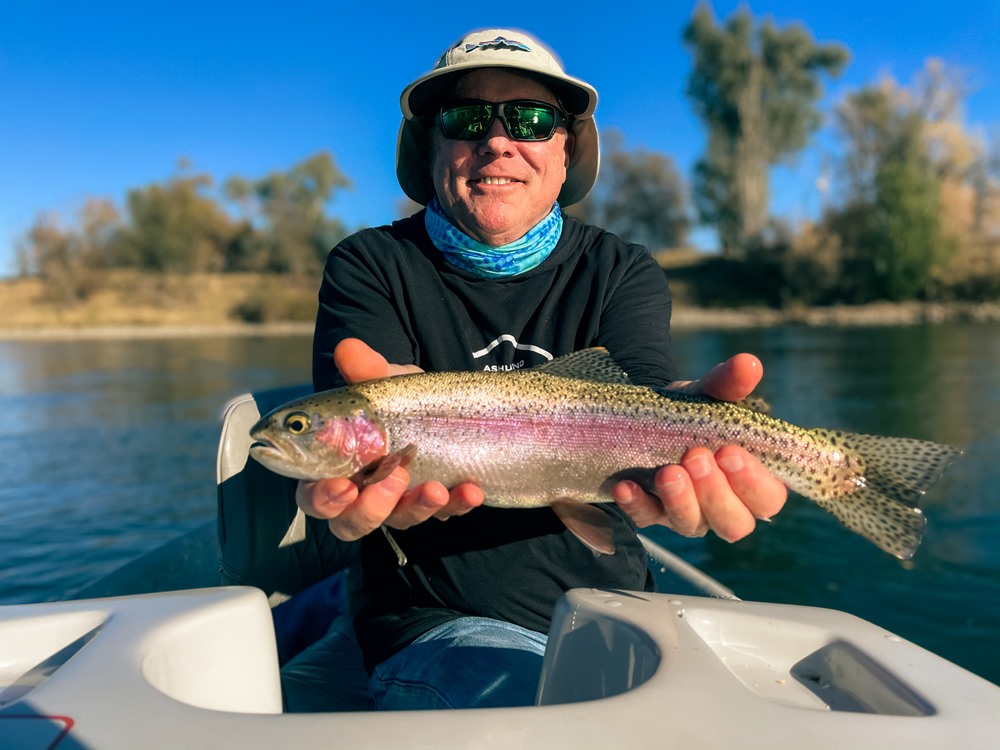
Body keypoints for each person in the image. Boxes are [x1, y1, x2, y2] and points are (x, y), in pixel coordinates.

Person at [280, 28, 787, 711]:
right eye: (465, 120)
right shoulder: (370, 265)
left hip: (617, 608)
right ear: (431, 145)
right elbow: (363, 418)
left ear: (567, 149)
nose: (497, 140)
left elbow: (642, 394)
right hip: (434, 624)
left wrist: (695, 422)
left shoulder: (620, 269)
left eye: (531, 119)